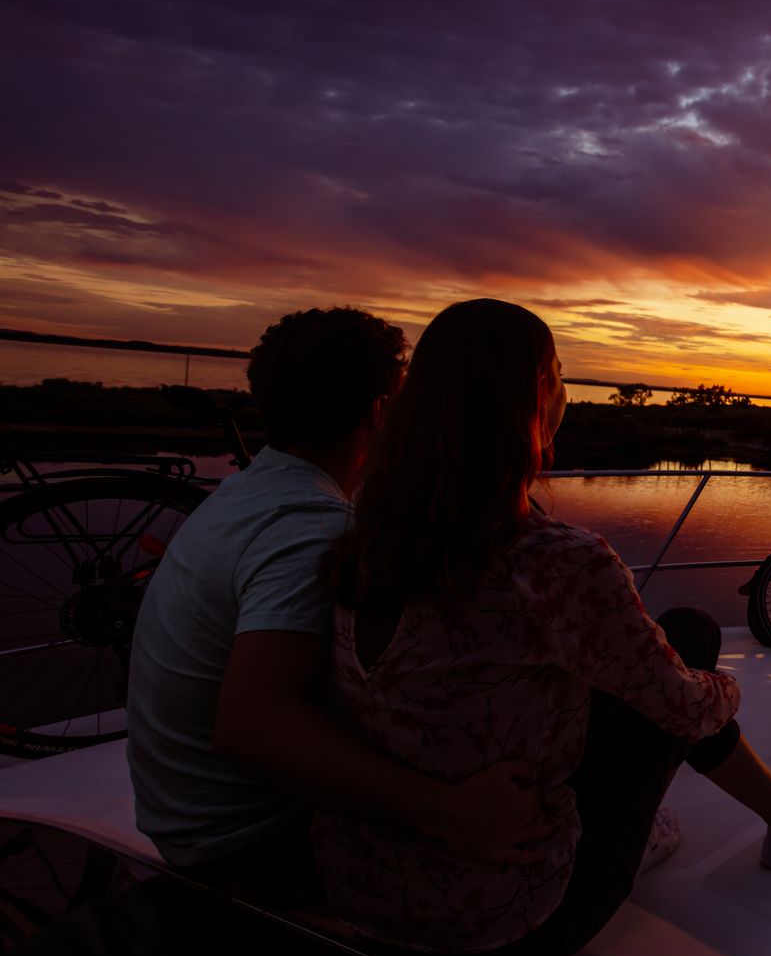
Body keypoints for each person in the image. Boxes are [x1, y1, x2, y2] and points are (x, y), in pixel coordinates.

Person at [315, 298, 771, 956]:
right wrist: (724, 688)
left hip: (359, 896)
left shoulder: (362, 536)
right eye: (561, 374)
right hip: (499, 929)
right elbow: (686, 712)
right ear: (538, 398)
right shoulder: (554, 561)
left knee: (653, 648)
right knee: (687, 646)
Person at [127, 308, 549, 902]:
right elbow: (252, 726)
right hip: (255, 848)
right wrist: (448, 811)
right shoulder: (309, 529)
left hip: (187, 823)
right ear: (381, 412)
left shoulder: (250, 492)